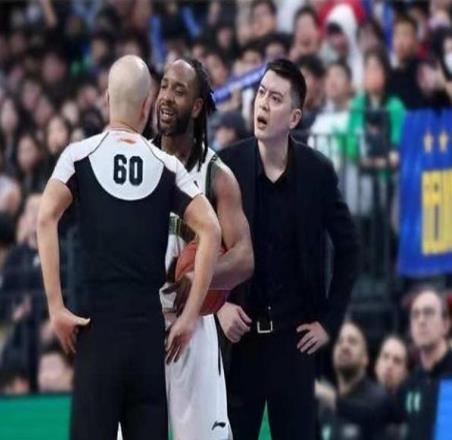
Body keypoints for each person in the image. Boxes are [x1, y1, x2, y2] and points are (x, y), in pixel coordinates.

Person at [37, 55, 221, 440]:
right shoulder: (167, 165)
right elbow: (211, 230)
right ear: (146, 106)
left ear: (107, 99)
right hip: (147, 336)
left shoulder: (78, 155)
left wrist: (56, 307)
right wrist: (189, 316)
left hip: (97, 330)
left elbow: (45, 218)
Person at [218, 58, 360, 439]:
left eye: (275, 99)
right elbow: (202, 246)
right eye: (261, 93)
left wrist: (329, 322)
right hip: (240, 341)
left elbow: (350, 250)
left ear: (295, 117)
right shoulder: (227, 166)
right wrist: (218, 307)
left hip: (295, 341)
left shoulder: (317, 172)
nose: (262, 104)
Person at [155, 58, 253, 440]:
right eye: (164, 86)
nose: (166, 97)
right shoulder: (139, 162)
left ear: (197, 107)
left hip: (192, 322)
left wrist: (201, 274)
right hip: (142, 319)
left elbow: (244, 256)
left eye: (178, 91)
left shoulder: (217, 176)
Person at [316, 321, 392, 440]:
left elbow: (370, 415)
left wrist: (331, 398)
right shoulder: (326, 410)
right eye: (339, 341)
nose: (344, 346)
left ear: (365, 358)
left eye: (352, 341)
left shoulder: (378, 399)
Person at [395, 288, 452, 439]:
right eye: (415, 315)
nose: (421, 320)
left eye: (428, 313)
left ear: (446, 324)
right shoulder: (407, 385)